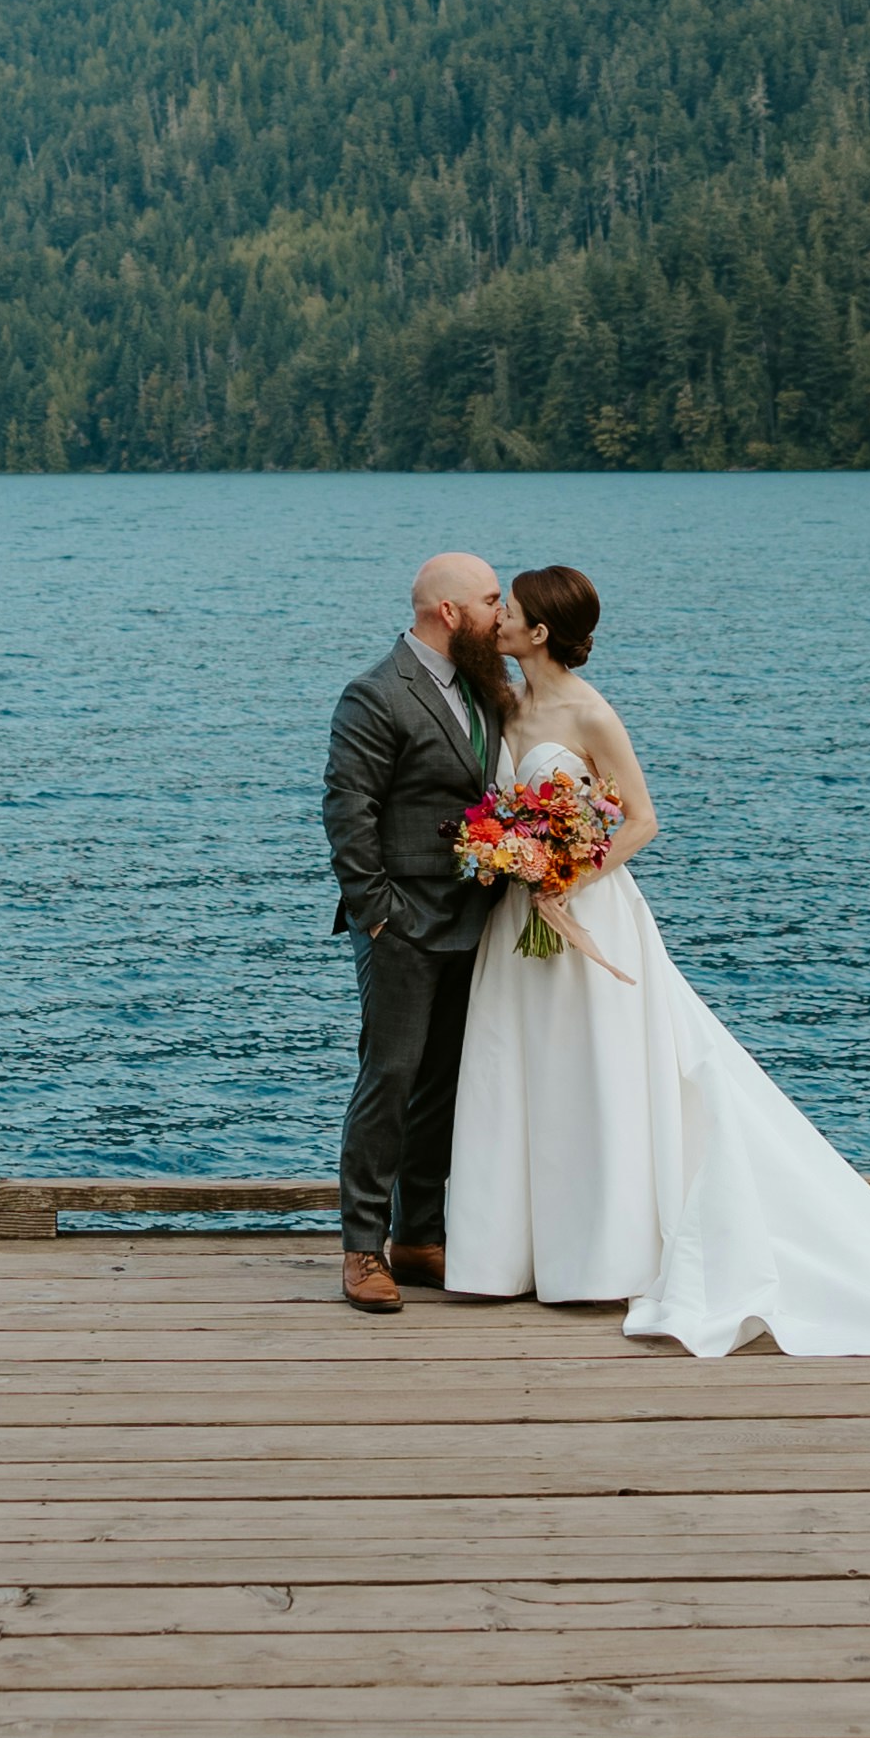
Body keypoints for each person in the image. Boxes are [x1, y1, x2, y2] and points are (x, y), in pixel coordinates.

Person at [444, 563, 870, 1358]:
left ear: (542, 631)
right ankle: (510, 1252)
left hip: (585, 911)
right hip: (519, 918)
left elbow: (643, 820)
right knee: (520, 1069)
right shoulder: (507, 705)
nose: (501, 622)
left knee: (598, 1073)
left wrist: (565, 875)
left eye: (510, 611)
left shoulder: (591, 714)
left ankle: (598, 1257)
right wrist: (511, 857)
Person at [318, 548, 514, 1315]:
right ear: (451, 612)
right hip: (399, 921)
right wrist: (377, 913)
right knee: (390, 1078)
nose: (503, 613)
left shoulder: (485, 688)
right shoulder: (375, 693)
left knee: (443, 1084)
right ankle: (362, 1248)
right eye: (494, 599)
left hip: (472, 915)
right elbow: (347, 810)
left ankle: (420, 1236)